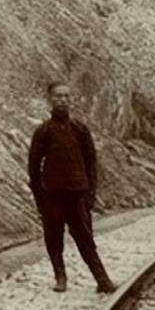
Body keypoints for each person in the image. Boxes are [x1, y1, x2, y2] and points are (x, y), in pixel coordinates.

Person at [28, 82, 116, 294]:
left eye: (67, 96)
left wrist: (90, 194)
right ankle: (60, 277)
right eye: (58, 96)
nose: (63, 100)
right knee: (53, 237)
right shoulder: (43, 132)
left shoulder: (80, 129)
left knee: (85, 238)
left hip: (78, 194)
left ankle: (102, 279)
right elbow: (33, 167)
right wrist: (40, 198)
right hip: (53, 195)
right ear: (50, 99)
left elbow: (91, 163)